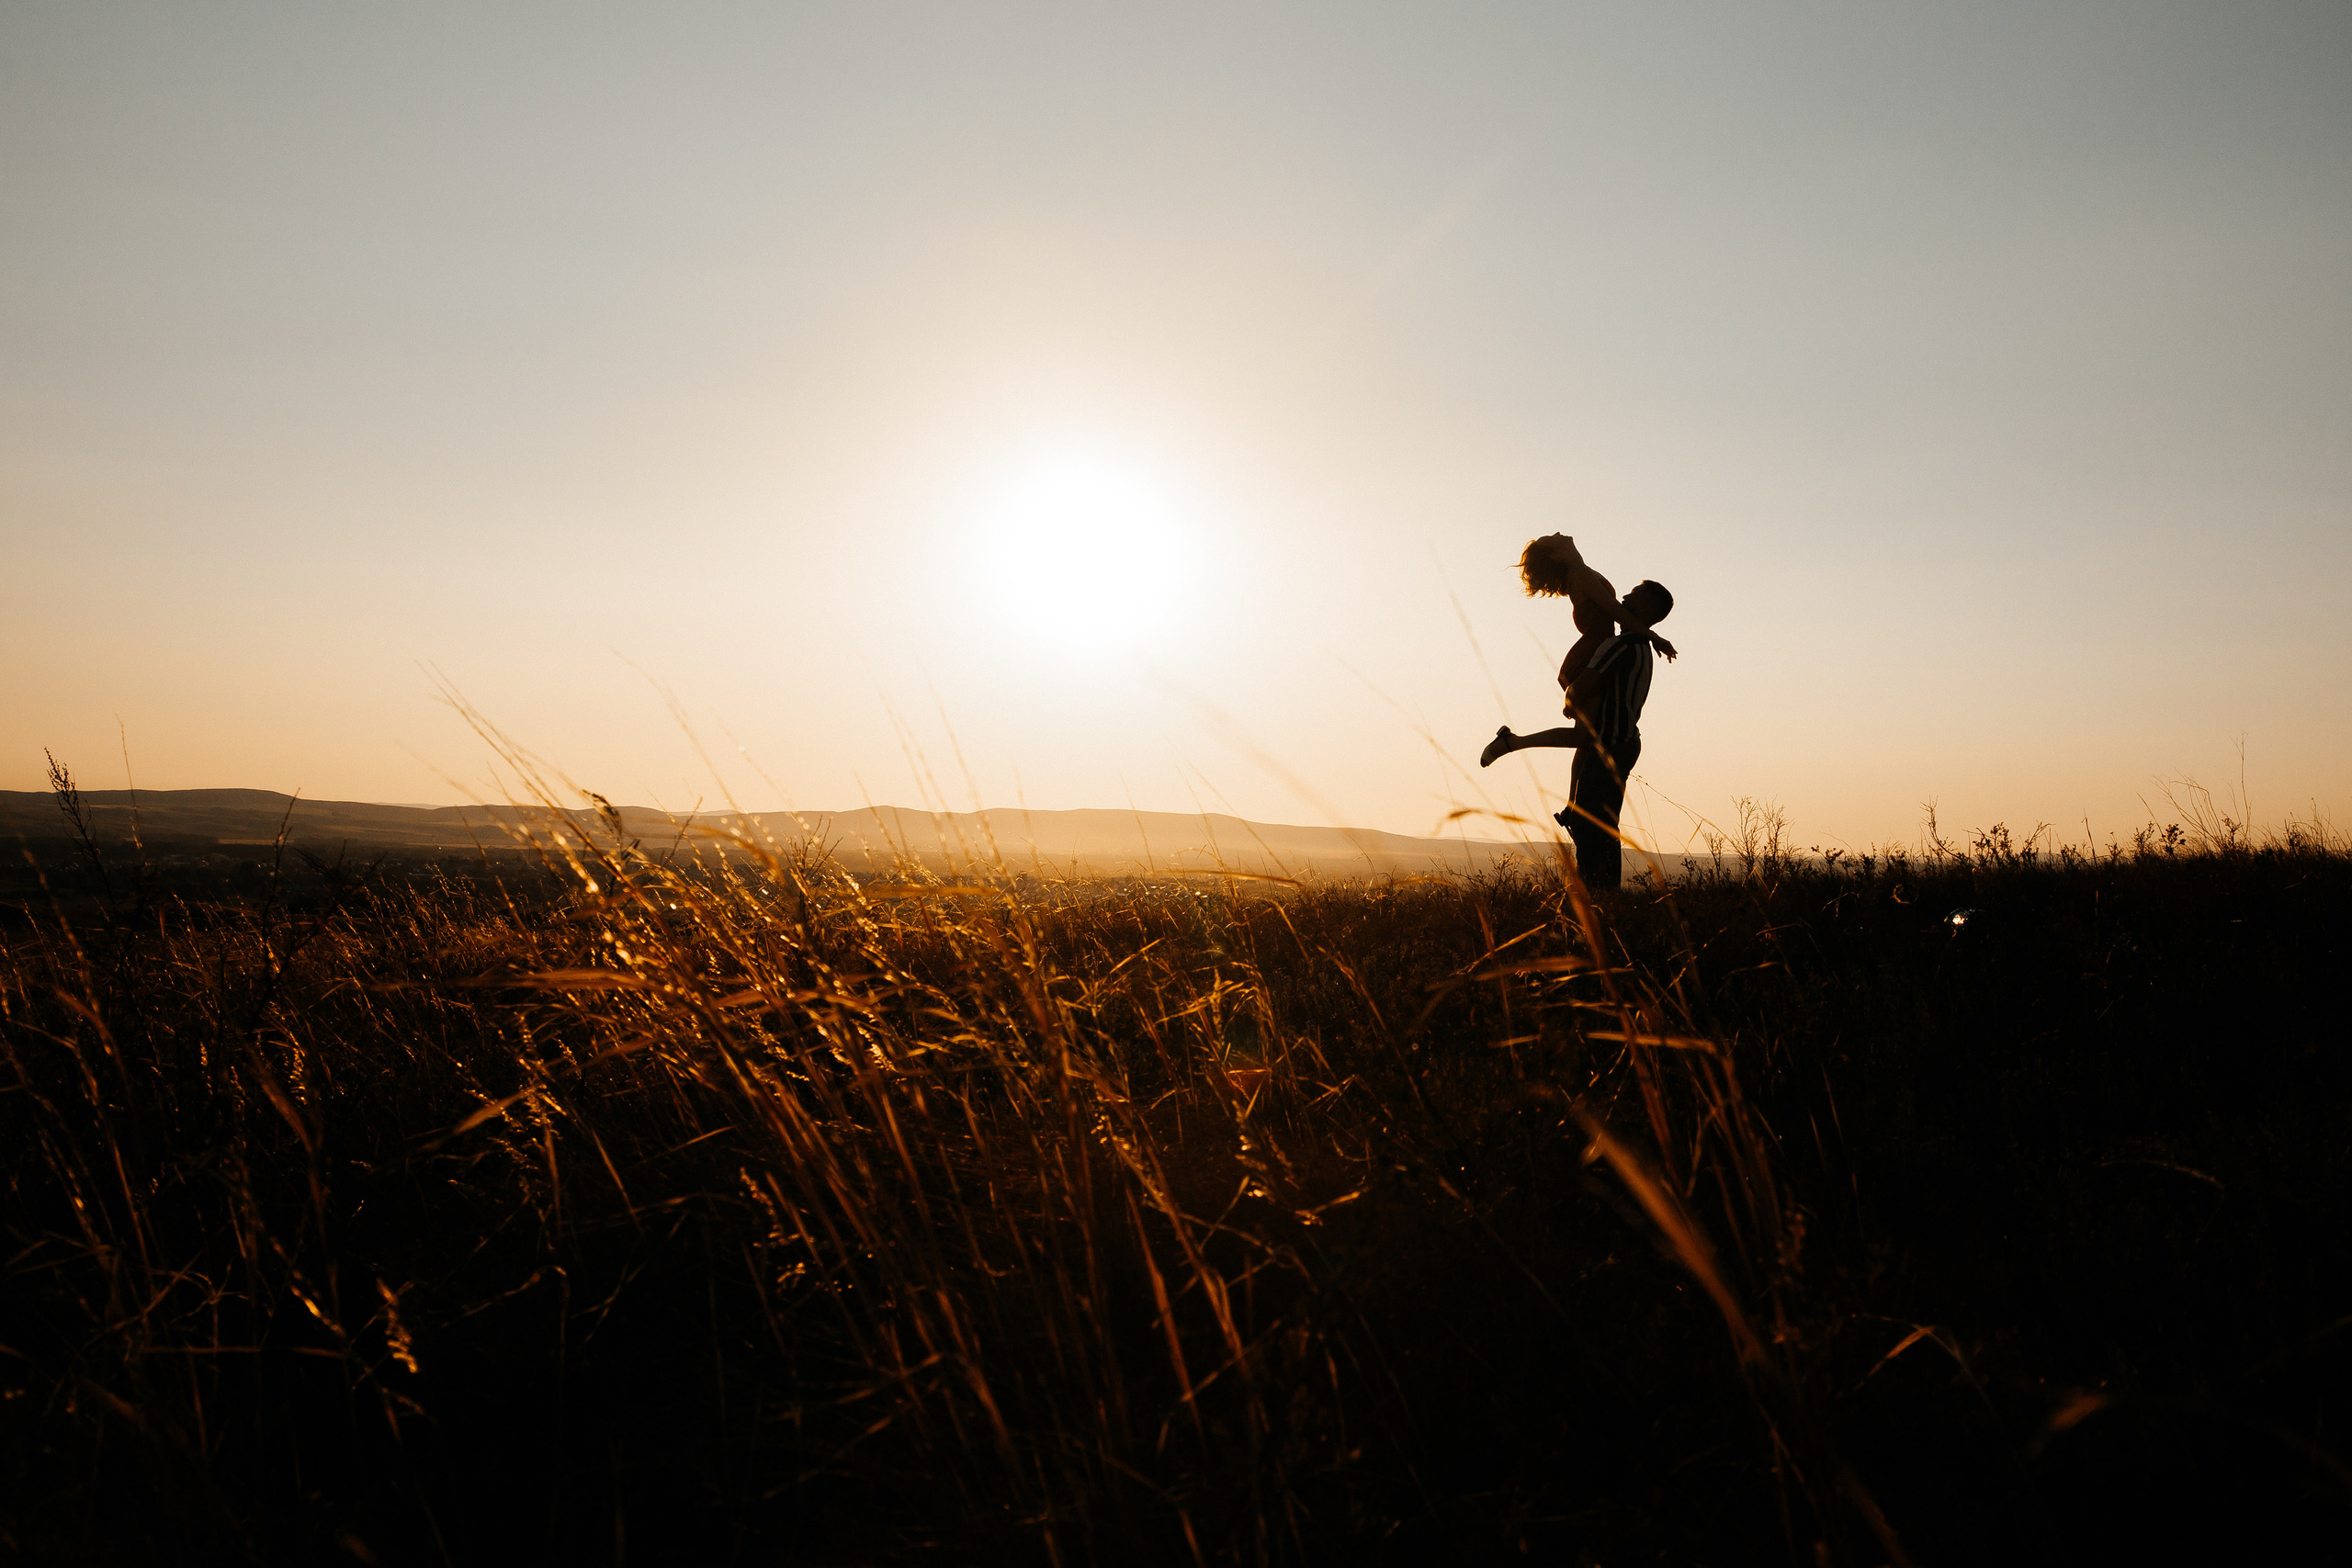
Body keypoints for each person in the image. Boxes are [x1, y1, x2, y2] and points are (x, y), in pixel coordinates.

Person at [1478, 535, 1675, 889]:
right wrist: (1653, 636)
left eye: (1634, 595)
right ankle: (1599, 884)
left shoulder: (1584, 577)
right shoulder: (1626, 638)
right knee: (1596, 807)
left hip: (1607, 716)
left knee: (1586, 753)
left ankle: (1554, 789)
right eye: (1551, 539)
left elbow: (1614, 609)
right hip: (1604, 691)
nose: (1625, 597)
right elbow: (1614, 611)